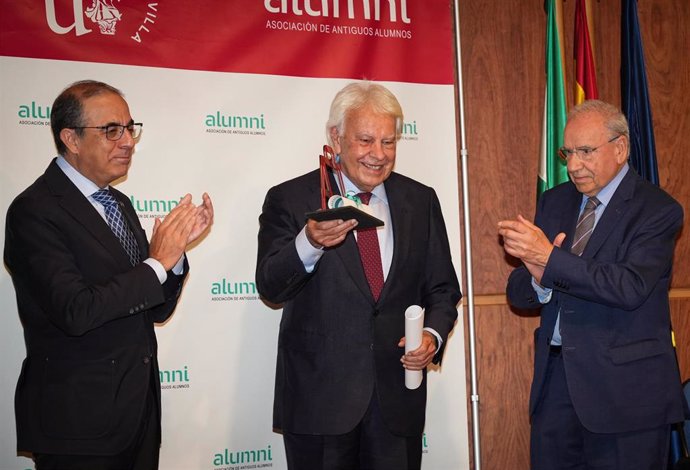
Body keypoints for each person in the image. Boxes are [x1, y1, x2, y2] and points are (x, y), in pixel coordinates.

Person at [4, 80, 213, 470]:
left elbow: (152, 310)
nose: (128, 141)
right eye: (111, 130)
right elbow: (76, 310)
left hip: (138, 417)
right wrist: (156, 263)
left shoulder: (119, 203)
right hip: (78, 426)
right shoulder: (34, 210)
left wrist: (175, 256)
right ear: (71, 139)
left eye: (130, 128)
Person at [256, 82, 461, 469]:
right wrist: (309, 243)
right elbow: (270, 286)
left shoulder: (421, 200)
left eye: (388, 142)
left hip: (397, 404)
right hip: (319, 405)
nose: (378, 155)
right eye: (366, 140)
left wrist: (431, 337)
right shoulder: (292, 198)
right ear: (336, 136)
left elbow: (442, 289)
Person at [498, 99, 686, 470]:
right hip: (556, 388)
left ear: (620, 148)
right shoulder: (554, 202)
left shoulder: (657, 210)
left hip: (627, 397)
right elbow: (518, 290)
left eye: (585, 152)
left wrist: (549, 261)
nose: (572, 165)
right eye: (567, 152)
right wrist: (539, 281)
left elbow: (629, 286)